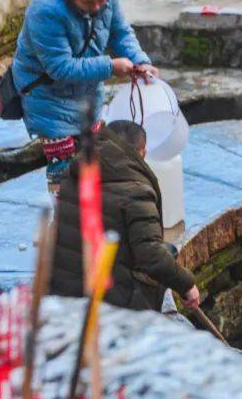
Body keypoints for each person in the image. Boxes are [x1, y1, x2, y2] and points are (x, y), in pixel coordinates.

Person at [9, 0, 157, 192]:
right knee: (64, 172)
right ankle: (62, 221)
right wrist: (110, 66)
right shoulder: (44, 11)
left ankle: (88, 218)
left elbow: (120, 33)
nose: (99, 6)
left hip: (87, 95)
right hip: (48, 99)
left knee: (92, 160)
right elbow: (61, 68)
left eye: (103, 0)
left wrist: (140, 60)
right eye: (90, 2)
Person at [50, 120, 200, 313]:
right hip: (108, 302)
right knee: (158, 265)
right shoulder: (137, 191)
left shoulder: (72, 173)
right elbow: (151, 256)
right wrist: (187, 286)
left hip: (63, 290)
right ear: (142, 153)